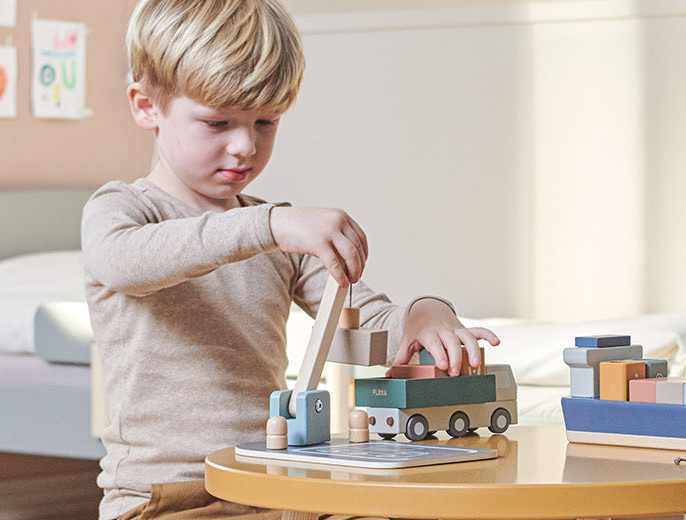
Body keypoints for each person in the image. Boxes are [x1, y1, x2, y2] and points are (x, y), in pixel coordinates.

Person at [84, 1, 498, 518]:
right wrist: (272, 225)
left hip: (273, 483)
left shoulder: (274, 237)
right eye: (217, 123)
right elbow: (123, 262)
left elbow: (357, 319)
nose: (244, 146)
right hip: (170, 499)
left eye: (265, 122)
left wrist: (424, 313)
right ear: (146, 106)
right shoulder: (123, 209)